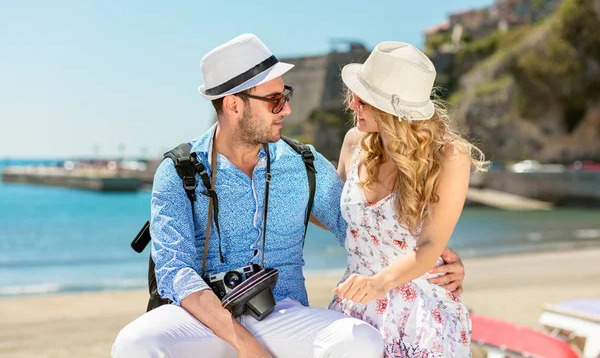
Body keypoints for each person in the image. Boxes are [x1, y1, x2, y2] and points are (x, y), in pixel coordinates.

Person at [112, 34, 467, 358]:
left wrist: (434, 260)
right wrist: (244, 343)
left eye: (287, 95)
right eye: (275, 100)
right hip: (202, 316)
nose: (287, 109)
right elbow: (175, 271)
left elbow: (361, 231)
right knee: (134, 343)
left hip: (280, 313)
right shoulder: (180, 171)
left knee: (358, 340)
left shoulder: (304, 165)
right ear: (234, 105)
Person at [329, 41, 487, 357]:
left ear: (387, 109)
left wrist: (378, 283)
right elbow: (340, 218)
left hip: (421, 315)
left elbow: (430, 244)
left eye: (360, 99)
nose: (351, 105)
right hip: (354, 308)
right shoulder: (353, 144)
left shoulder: (449, 157)